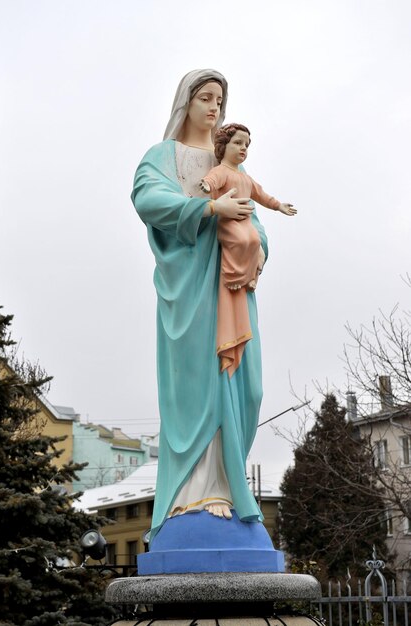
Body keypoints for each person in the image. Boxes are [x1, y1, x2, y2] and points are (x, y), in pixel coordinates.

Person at [132, 70, 269, 542]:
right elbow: (148, 198)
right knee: (198, 388)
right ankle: (196, 492)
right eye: (206, 97)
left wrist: (259, 251)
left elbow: (253, 217)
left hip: (232, 288)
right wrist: (208, 210)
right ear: (185, 103)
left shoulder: (231, 163)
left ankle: (227, 485)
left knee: (247, 391)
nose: (215, 107)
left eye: (220, 99)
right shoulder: (161, 157)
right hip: (190, 290)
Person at [201, 123, 296, 292]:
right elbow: (212, 180)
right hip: (228, 222)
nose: (243, 148)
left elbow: (261, 195)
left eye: (246, 145)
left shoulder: (246, 178)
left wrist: (278, 206)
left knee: (254, 241)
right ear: (223, 145)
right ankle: (232, 276)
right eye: (238, 143)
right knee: (240, 241)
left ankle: (252, 277)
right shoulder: (222, 171)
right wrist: (207, 185)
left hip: (246, 222)